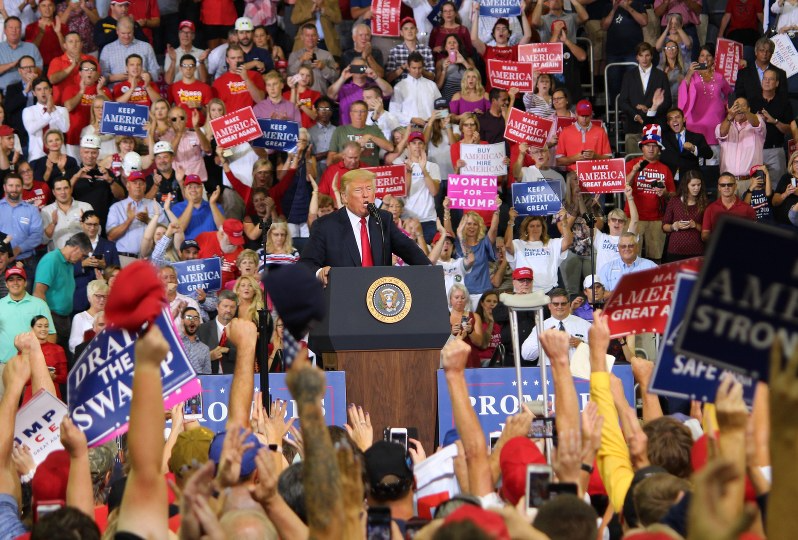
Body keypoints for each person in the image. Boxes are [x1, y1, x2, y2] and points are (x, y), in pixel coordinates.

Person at [300, 169, 430, 285]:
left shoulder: (383, 219)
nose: (365, 194)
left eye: (369, 189)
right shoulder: (325, 226)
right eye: (358, 190)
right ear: (344, 197)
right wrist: (320, 273)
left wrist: (430, 270)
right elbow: (306, 264)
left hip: (379, 299)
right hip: (343, 297)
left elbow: (409, 250)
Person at [34, 232, 92, 355]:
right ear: (76, 248)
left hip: (64, 319)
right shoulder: (51, 260)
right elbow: (38, 293)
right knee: (51, 359)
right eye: (83, 255)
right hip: (51, 318)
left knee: (62, 361)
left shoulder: (69, 264)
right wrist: (46, 324)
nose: (82, 260)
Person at [625, 124, 676, 263]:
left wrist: (665, 193)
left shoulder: (665, 169)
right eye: (648, 145)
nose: (651, 148)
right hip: (634, 218)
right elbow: (623, 184)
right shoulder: (631, 164)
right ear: (642, 147)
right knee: (631, 257)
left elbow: (673, 195)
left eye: (654, 145)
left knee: (656, 259)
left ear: (659, 149)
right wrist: (635, 170)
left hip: (657, 219)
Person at [678, 45, 734, 156]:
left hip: (716, 124)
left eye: (709, 55)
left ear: (713, 59)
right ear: (698, 58)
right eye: (702, 55)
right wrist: (689, 73)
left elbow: (730, 94)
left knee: (713, 164)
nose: (705, 58)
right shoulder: (692, 76)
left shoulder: (719, 77)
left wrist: (726, 107)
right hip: (695, 124)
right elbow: (683, 91)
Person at [505, 211, 575, 294]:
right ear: (526, 228)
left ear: (543, 228)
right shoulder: (518, 244)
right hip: (523, 291)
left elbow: (568, 242)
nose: (535, 229)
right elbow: (507, 245)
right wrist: (511, 222)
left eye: (538, 226)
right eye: (532, 226)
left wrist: (564, 221)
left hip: (548, 291)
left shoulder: (552, 243)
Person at [618, 42, 671, 151]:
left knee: (654, 166)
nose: (644, 59)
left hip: (655, 127)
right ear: (637, 57)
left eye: (647, 55)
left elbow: (667, 102)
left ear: (651, 56)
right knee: (633, 164)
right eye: (641, 55)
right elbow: (623, 101)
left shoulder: (661, 75)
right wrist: (635, 115)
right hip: (633, 128)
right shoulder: (628, 76)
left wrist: (651, 110)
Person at [105, 171, 166, 265]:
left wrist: (148, 221)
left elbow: (165, 234)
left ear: (145, 186)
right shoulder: (116, 207)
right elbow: (110, 236)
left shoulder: (154, 205)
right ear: (128, 186)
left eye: (141, 183)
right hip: (124, 259)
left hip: (150, 259)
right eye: (134, 183)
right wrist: (129, 221)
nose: (138, 186)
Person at [0, 267, 55, 364]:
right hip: (4, 364)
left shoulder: (40, 304)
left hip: (33, 364)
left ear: (25, 283)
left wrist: (44, 360)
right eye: (11, 280)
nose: (15, 283)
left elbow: (51, 334)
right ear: (6, 284)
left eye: (19, 279)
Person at [521, 287, 591, 363]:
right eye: (556, 304)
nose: (560, 307)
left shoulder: (585, 325)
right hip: (548, 372)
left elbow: (599, 352)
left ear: (569, 304)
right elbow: (526, 355)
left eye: (563, 304)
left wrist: (582, 345)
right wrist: (542, 341)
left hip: (577, 372)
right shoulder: (541, 327)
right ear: (549, 306)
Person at [393, 132, 441, 242]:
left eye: (420, 143)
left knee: (427, 256)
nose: (417, 146)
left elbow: (434, 191)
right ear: (408, 146)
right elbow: (404, 193)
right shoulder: (400, 166)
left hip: (428, 219)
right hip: (407, 220)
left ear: (424, 146)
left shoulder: (432, 166)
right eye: (414, 143)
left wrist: (423, 169)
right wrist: (409, 172)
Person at [716, 97, 766, 197]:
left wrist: (744, 111)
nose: (739, 109)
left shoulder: (757, 122)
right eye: (736, 106)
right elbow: (722, 132)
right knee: (727, 213)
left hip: (752, 181)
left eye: (743, 106)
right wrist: (729, 117)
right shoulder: (723, 125)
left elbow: (757, 123)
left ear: (749, 109)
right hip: (728, 184)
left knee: (752, 213)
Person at [748, 68, 792, 183]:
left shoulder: (784, 103)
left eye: (771, 79)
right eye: (765, 79)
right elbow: (743, 125)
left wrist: (774, 121)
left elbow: (789, 129)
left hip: (775, 150)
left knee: (777, 186)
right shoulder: (752, 102)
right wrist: (755, 119)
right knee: (755, 187)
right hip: (754, 150)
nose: (767, 81)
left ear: (777, 83)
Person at [0, 174, 43, 286]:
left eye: (17, 186)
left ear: (22, 187)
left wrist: (18, 249)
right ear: (5, 187)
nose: (14, 189)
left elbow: (37, 235)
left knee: (26, 299)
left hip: (27, 263)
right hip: (1, 264)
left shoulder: (32, 210)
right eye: (11, 185)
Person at [73, 210, 118, 314]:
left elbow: (117, 272)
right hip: (79, 296)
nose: (92, 228)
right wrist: (83, 264)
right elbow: (65, 270)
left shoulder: (109, 246)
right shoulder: (72, 244)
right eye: (89, 224)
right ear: (82, 224)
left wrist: (105, 266)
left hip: (103, 298)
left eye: (95, 225)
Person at [98, 16, 160, 85]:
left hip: (142, 90)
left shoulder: (146, 47)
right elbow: (100, 75)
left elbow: (156, 72)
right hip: (116, 91)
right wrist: (114, 78)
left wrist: (146, 75)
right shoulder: (107, 49)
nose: (126, 37)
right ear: (117, 31)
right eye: (123, 33)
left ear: (133, 30)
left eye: (129, 33)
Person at [328, 102, 391, 167]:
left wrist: (370, 137)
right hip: (348, 173)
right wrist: (350, 151)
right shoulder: (340, 130)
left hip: (371, 172)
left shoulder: (374, 129)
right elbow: (329, 161)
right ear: (351, 114)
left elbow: (390, 148)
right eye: (355, 111)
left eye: (362, 111)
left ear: (367, 114)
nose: (359, 114)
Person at [555, 99, 613, 171]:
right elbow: (559, 161)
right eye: (582, 115)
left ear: (591, 115)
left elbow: (609, 159)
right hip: (573, 176)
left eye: (587, 116)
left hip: (595, 174)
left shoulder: (600, 131)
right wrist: (575, 158)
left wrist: (595, 156)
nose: (584, 119)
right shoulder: (565, 132)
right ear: (576, 114)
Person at [662, 169, 707, 261]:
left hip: (697, 250)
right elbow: (664, 226)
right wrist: (674, 226)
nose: (697, 188)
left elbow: (708, 230)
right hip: (675, 250)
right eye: (693, 185)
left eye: (699, 185)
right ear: (686, 186)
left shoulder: (705, 203)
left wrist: (695, 225)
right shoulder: (674, 201)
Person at [22, 77, 70, 162]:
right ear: (34, 93)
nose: (43, 92)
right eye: (39, 89)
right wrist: (48, 112)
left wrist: (53, 109)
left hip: (59, 157)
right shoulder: (28, 111)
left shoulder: (62, 110)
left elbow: (65, 128)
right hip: (36, 157)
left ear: (51, 90)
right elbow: (31, 129)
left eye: (45, 88)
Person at [40, 177, 94, 252]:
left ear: (71, 189)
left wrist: (85, 224)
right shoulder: (46, 211)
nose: (63, 192)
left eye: (66, 188)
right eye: (59, 189)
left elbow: (96, 234)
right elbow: (43, 240)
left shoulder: (85, 207)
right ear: (53, 192)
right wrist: (53, 224)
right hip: (58, 259)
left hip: (83, 256)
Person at [389, 52, 442, 128]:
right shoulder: (399, 87)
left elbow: (443, 110)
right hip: (409, 129)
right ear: (408, 67)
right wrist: (411, 119)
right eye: (414, 68)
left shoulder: (432, 85)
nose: (417, 71)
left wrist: (434, 118)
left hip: (431, 128)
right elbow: (393, 113)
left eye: (419, 68)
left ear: (423, 67)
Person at [23, 315, 67, 402]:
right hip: (31, 395)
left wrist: (54, 377)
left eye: (46, 326)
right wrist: (39, 376)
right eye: (39, 326)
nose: (43, 329)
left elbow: (64, 377)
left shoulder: (58, 349)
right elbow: (22, 379)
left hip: (53, 394)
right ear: (32, 328)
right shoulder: (25, 350)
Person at [660, 107, 712, 181]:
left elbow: (709, 154)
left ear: (684, 119)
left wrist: (693, 149)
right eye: (671, 118)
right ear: (668, 123)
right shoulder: (663, 138)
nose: (674, 120)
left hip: (691, 180)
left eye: (677, 117)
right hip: (670, 181)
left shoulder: (697, 137)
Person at [212, 45, 266, 112]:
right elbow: (216, 110)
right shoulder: (218, 82)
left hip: (252, 119)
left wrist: (246, 79)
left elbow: (260, 100)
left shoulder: (255, 75)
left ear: (243, 58)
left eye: (239, 58)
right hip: (231, 120)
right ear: (227, 60)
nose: (236, 61)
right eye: (233, 58)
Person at [287, 24, 340, 94]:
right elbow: (290, 74)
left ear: (317, 36)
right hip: (300, 98)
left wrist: (323, 68)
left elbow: (335, 77)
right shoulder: (294, 55)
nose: (310, 38)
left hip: (321, 98)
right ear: (302, 37)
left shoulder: (326, 55)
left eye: (313, 35)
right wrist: (301, 60)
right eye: (307, 35)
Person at [197, 289, 238, 374]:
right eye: (225, 306)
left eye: (232, 307)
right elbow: (195, 358)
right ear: (217, 306)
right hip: (210, 380)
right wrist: (209, 357)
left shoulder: (241, 329)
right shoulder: (202, 329)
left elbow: (246, 355)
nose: (228, 310)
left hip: (235, 379)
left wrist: (227, 350)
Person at [384, 17, 435, 84]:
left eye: (412, 28)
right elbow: (388, 79)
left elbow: (432, 77)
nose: (409, 31)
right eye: (406, 29)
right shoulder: (395, 51)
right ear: (401, 32)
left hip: (422, 87)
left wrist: (418, 68)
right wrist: (402, 68)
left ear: (416, 30)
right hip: (401, 89)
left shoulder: (426, 50)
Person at [0, 17, 43, 94]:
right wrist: (11, 65)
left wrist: (28, 69)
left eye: (17, 27)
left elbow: (40, 70)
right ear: (5, 30)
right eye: (11, 27)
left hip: (29, 91)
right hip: (3, 93)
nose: (14, 30)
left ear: (21, 30)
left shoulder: (31, 47)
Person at [448, 283, 484, 367]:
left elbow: (479, 343)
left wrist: (471, 331)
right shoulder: (443, 318)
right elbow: (439, 345)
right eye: (456, 297)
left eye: (463, 298)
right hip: (451, 361)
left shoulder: (475, 316)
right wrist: (451, 333)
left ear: (467, 300)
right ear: (450, 299)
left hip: (471, 359)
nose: (460, 300)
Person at [68, 279, 108, 353]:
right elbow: (72, 345)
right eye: (98, 296)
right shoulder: (80, 317)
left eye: (105, 296)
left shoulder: (111, 317)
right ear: (89, 297)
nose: (102, 299)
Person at [472, 289, 502, 366]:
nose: (492, 304)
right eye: (488, 301)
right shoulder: (476, 322)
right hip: (483, 360)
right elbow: (483, 345)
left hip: (500, 361)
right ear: (482, 303)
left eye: (495, 302)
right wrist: (491, 323)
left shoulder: (501, 323)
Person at [180, 306, 211, 375]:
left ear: (199, 322)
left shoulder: (205, 349)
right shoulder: (175, 344)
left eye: (196, 318)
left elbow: (208, 376)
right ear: (182, 321)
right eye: (189, 317)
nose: (192, 320)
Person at [772, 151, 798, 225]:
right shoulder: (786, 178)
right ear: (791, 164)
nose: (797, 165)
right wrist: (786, 193)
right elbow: (774, 202)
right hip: (783, 220)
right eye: (795, 162)